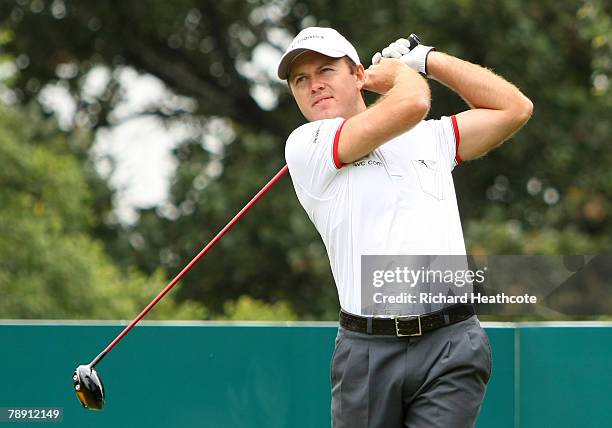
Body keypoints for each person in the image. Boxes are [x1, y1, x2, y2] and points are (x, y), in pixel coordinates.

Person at [277, 27, 532, 428]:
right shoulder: (307, 145)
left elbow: (514, 108)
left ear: (358, 75)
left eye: (325, 70)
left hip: (451, 343)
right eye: (300, 80)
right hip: (367, 351)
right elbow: (412, 100)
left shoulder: (429, 139)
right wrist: (400, 74)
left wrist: (426, 58)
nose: (314, 85)